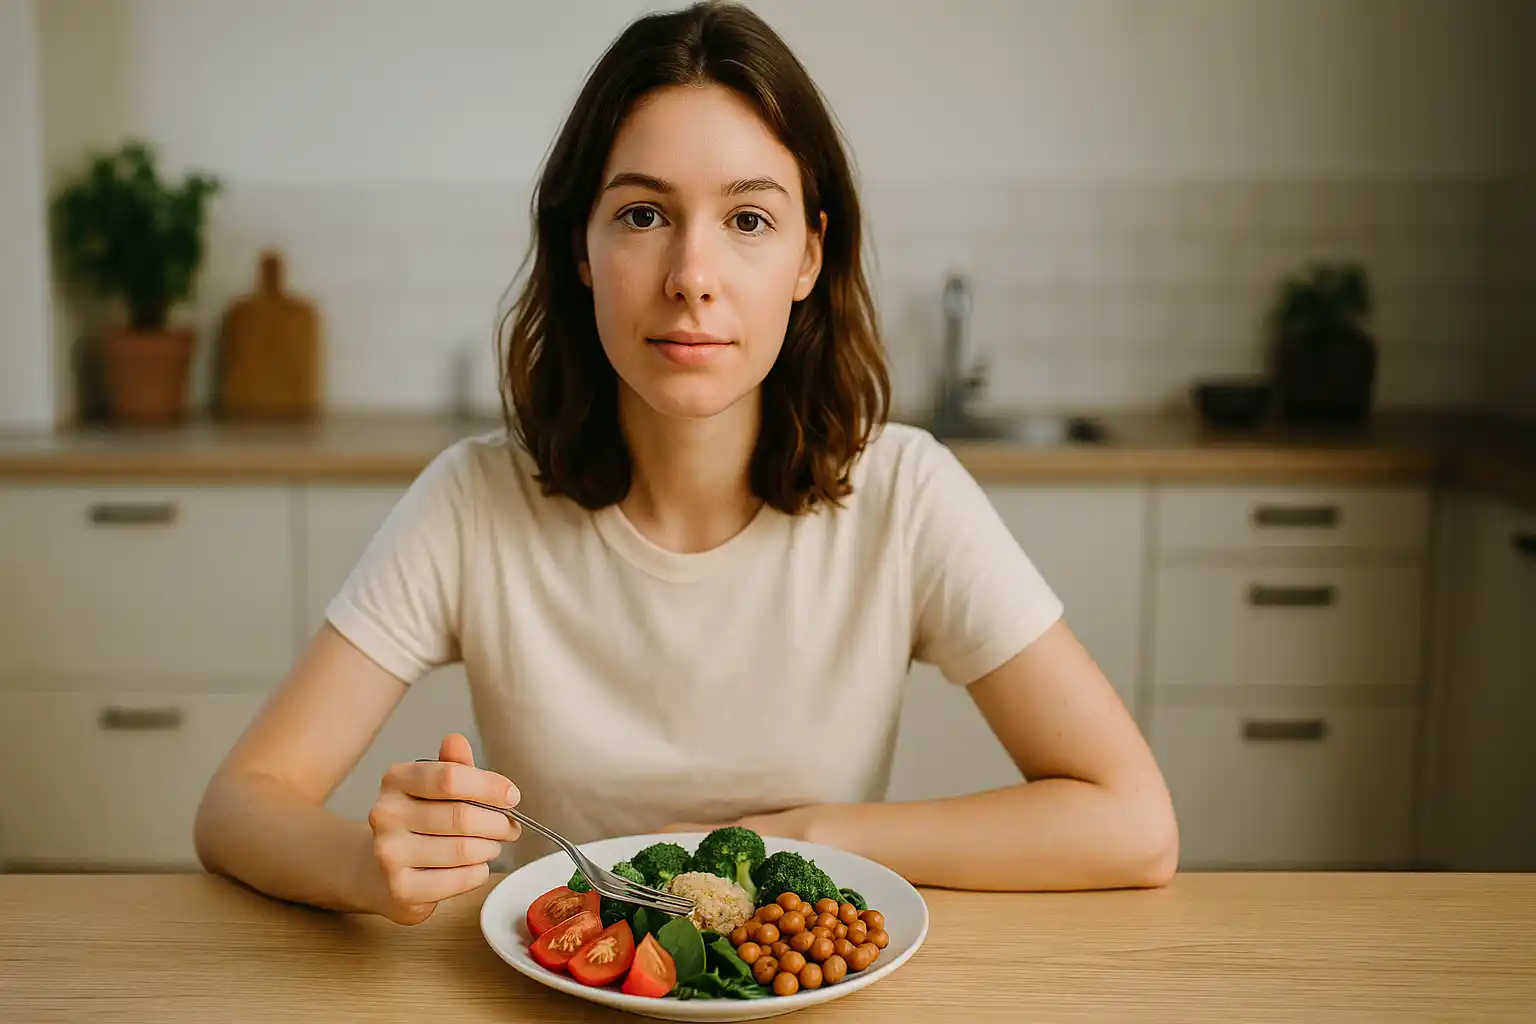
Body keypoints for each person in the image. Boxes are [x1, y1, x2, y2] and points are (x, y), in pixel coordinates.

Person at [194, 0, 1178, 927]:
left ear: (808, 258)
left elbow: (1133, 822)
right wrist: (367, 871)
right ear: (579, 246)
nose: (692, 279)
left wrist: (813, 837)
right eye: (642, 214)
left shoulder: (905, 494)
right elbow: (240, 803)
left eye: (749, 220)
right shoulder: (473, 500)